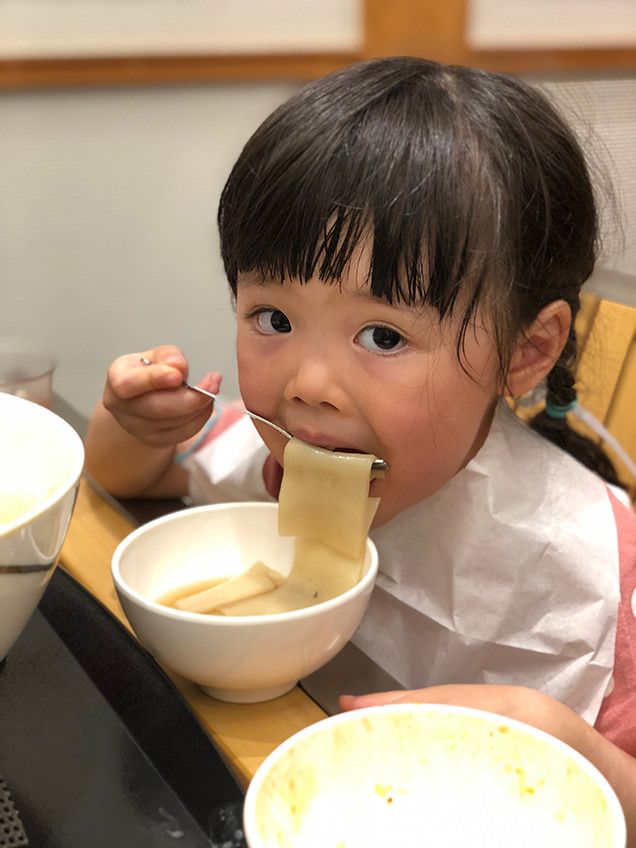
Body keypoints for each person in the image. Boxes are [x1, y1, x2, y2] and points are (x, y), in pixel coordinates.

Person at [84, 57, 636, 835]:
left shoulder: (601, 576)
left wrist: (585, 756)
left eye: (383, 335)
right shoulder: (270, 448)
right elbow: (131, 486)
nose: (308, 385)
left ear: (526, 350)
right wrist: (133, 430)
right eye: (271, 318)